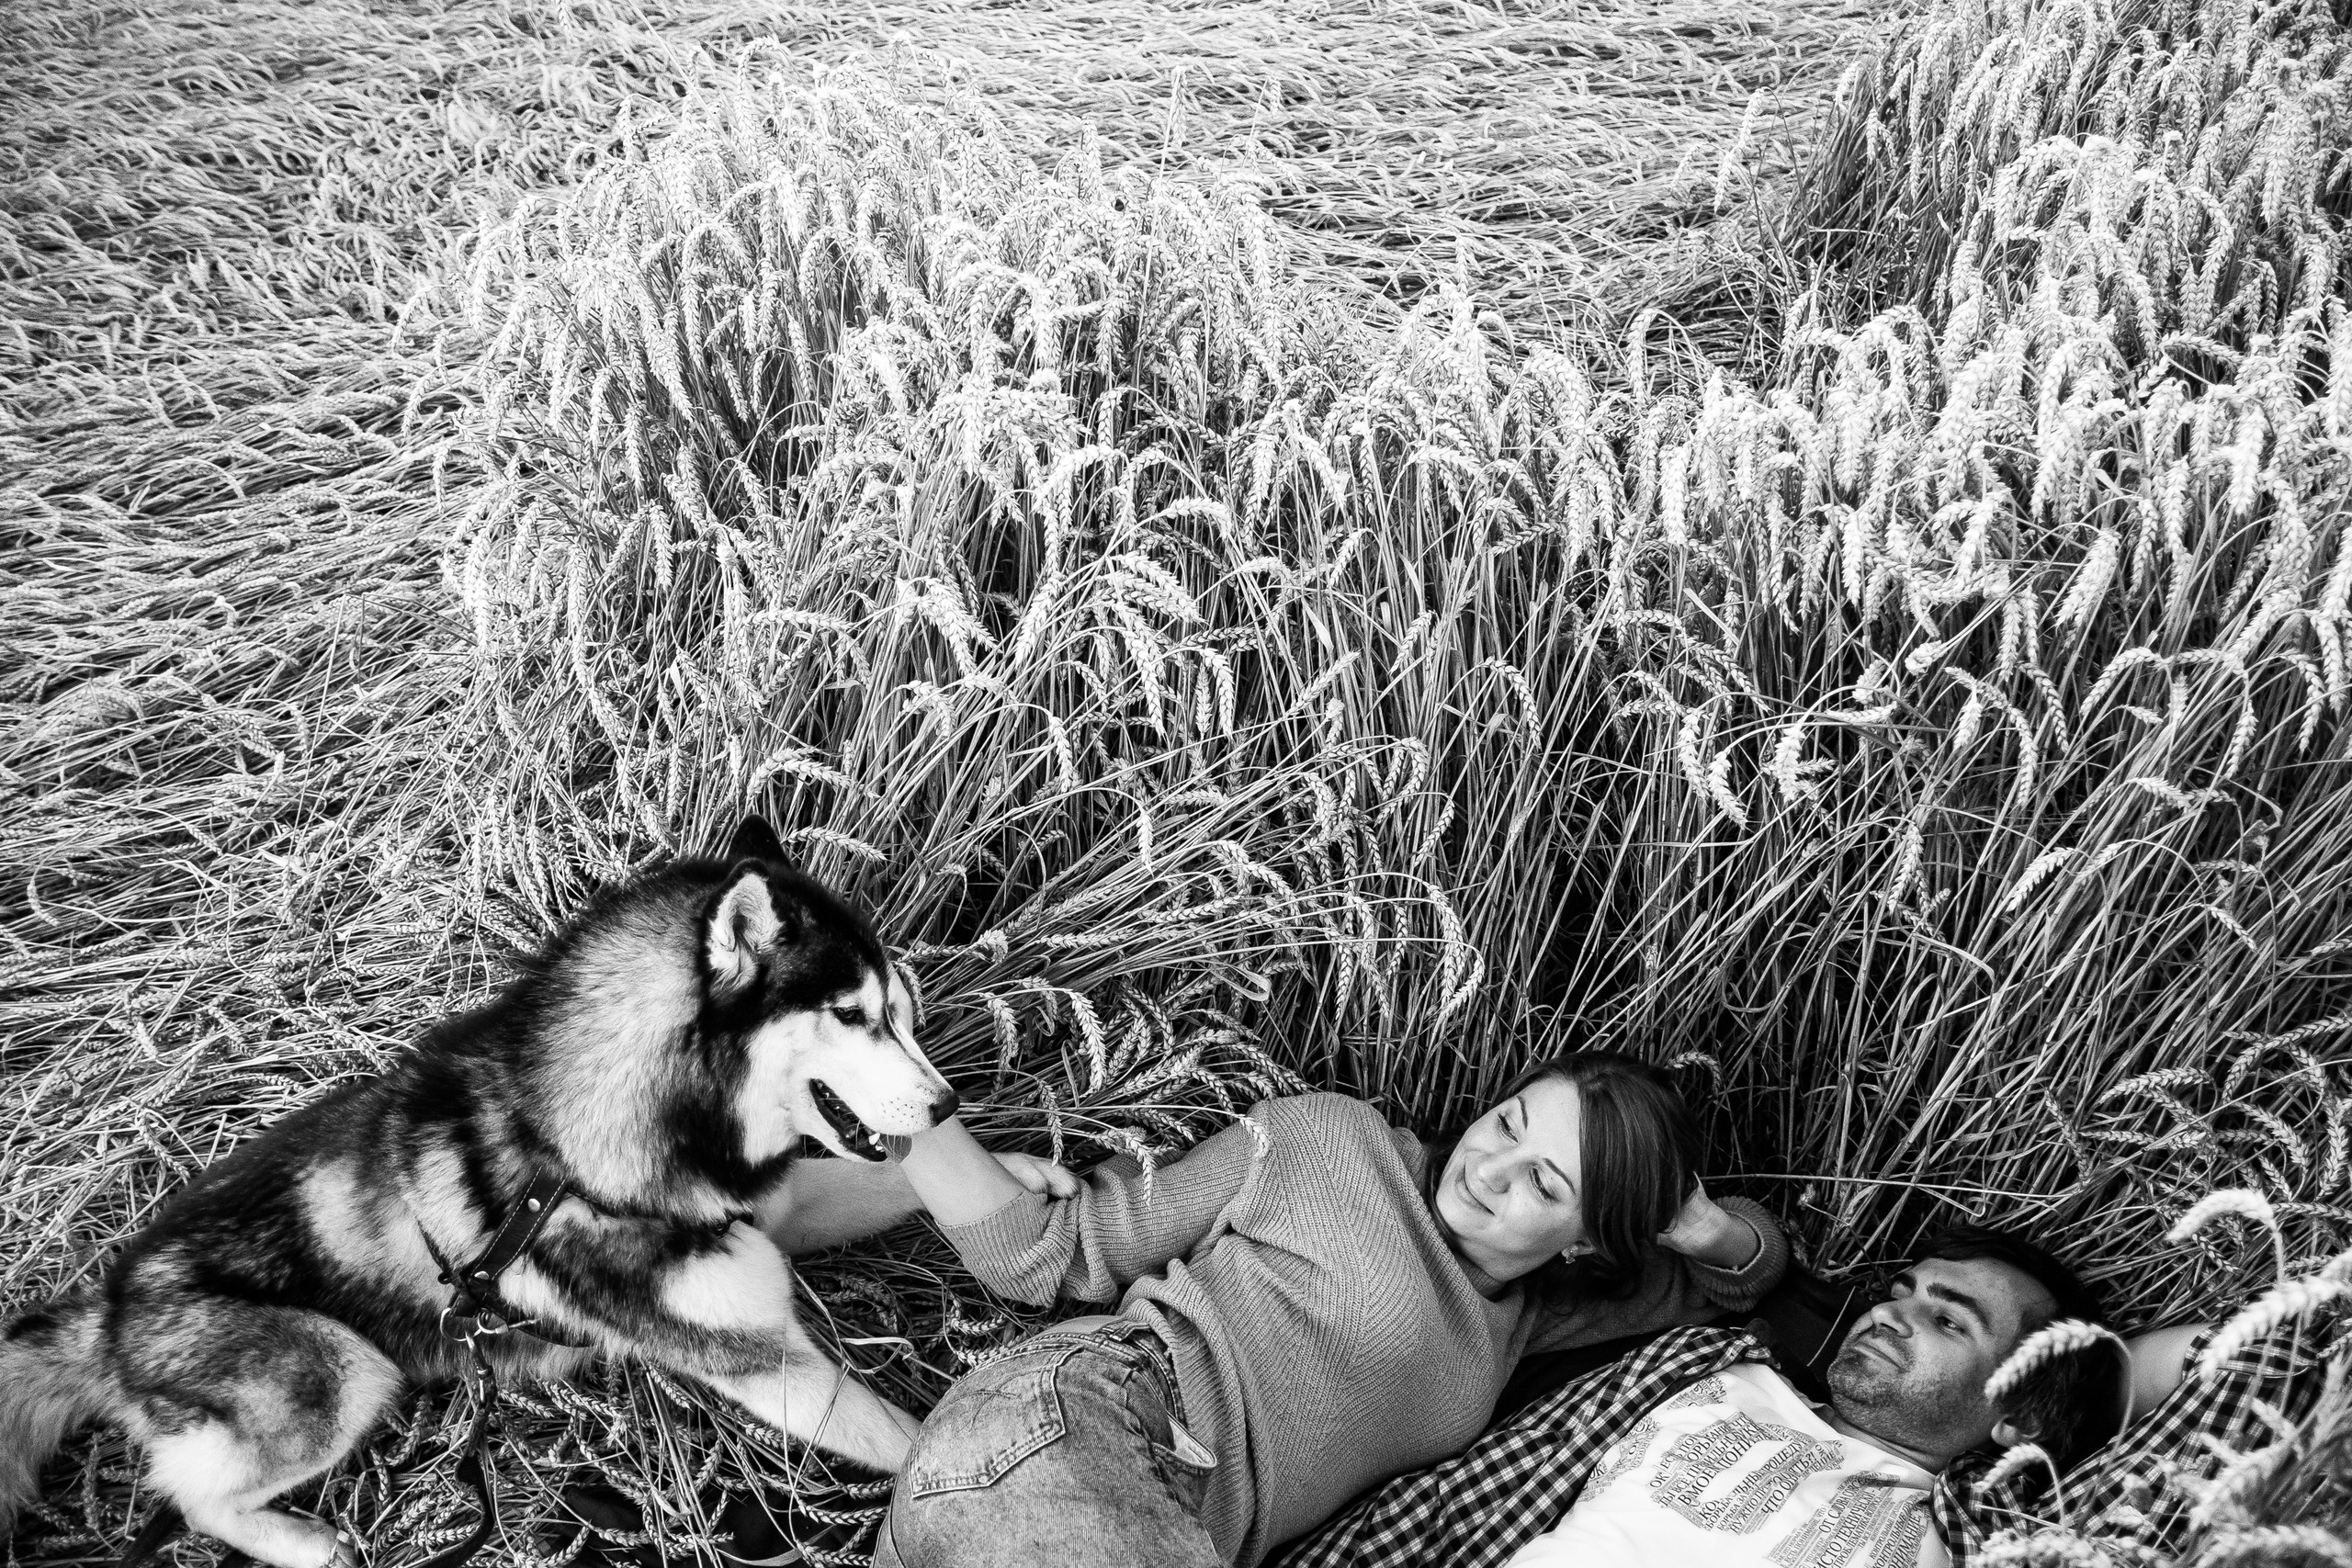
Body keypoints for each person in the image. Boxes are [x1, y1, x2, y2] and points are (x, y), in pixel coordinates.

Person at [796, 1053, 1790, 1568]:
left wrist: (1693, 1220)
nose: (1492, 1169)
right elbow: (1053, 1254)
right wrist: (882, 1084)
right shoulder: (1329, 1142)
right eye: (1509, 1125)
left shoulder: (1529, 1320)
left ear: (1583, 1240)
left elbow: (1739, 1277)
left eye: (1545, 1182)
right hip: (1079, 1427)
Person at [1270, 1225, 2139, 1568]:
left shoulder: (1987, 1537)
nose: (1890, 1311)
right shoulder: (1707, 1370)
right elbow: (1461, 1503)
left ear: (2017, 1411)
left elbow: (2199, 1372)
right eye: (1901, 1288)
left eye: (1949, 1322)